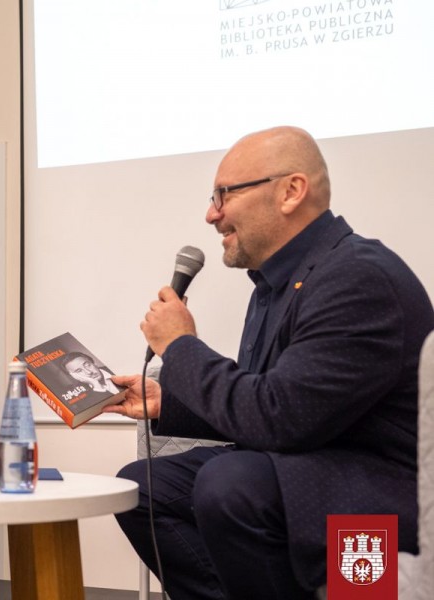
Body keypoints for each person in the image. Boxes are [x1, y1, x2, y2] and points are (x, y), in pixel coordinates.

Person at [105, 126, 434, 600]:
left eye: (224, 194)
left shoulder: (357, 277)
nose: (211, 214)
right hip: (313, 465)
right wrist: (168, 403)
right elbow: (271, 401)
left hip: (379, 490)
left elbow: (279, 420)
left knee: (231, 483)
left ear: (291, 192)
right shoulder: (277, 283)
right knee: (142, 487)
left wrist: (179, 346)